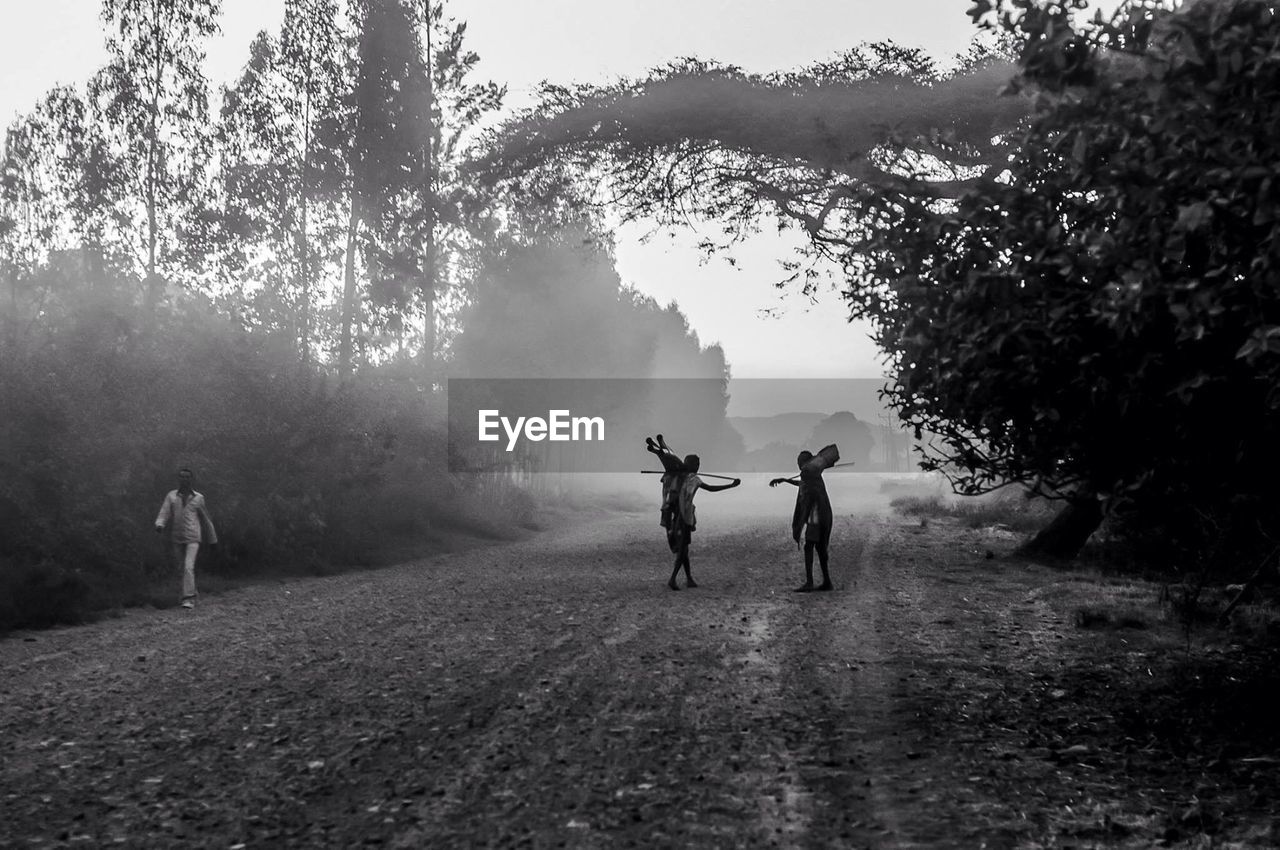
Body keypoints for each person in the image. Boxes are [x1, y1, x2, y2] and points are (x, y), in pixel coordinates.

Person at [770, 444, 840, 592]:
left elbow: (807, 488)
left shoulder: (809, 474)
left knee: (810, 547)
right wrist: (784, 479)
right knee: (821, 549)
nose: (798, 464)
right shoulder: (812, 475)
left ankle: (810, 583)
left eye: (799, 462)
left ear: (804, 462)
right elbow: (803, 485)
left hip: (816, 516)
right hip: (824, 515)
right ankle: (827, 582)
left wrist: (797, 479)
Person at [668, 454, 740, 590]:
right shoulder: (686, 478)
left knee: (684, 549)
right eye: (695, 464)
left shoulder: (688, 478)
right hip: (683, 517)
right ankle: (673, 579)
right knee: (683, 549)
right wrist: (731, 485)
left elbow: (710, 488)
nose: (697, 466)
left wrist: (731, 486)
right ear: (687, 465)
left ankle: (689, 579)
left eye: (698, 464)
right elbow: (711, 489)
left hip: (683, 516)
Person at [154, 467, 218, 609]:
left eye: (187, 477)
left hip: (193, 537)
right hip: (177, 537)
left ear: (191, 479)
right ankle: (191, 593)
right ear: (178, 479)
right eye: (182, 476)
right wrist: (159, 524)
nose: (184, 479)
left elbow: (206, 519)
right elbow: (164, 512)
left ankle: (188, 598)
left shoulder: (198, 498)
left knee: (189, 566)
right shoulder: (171, 496)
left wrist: (213, 539)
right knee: (180, 568)